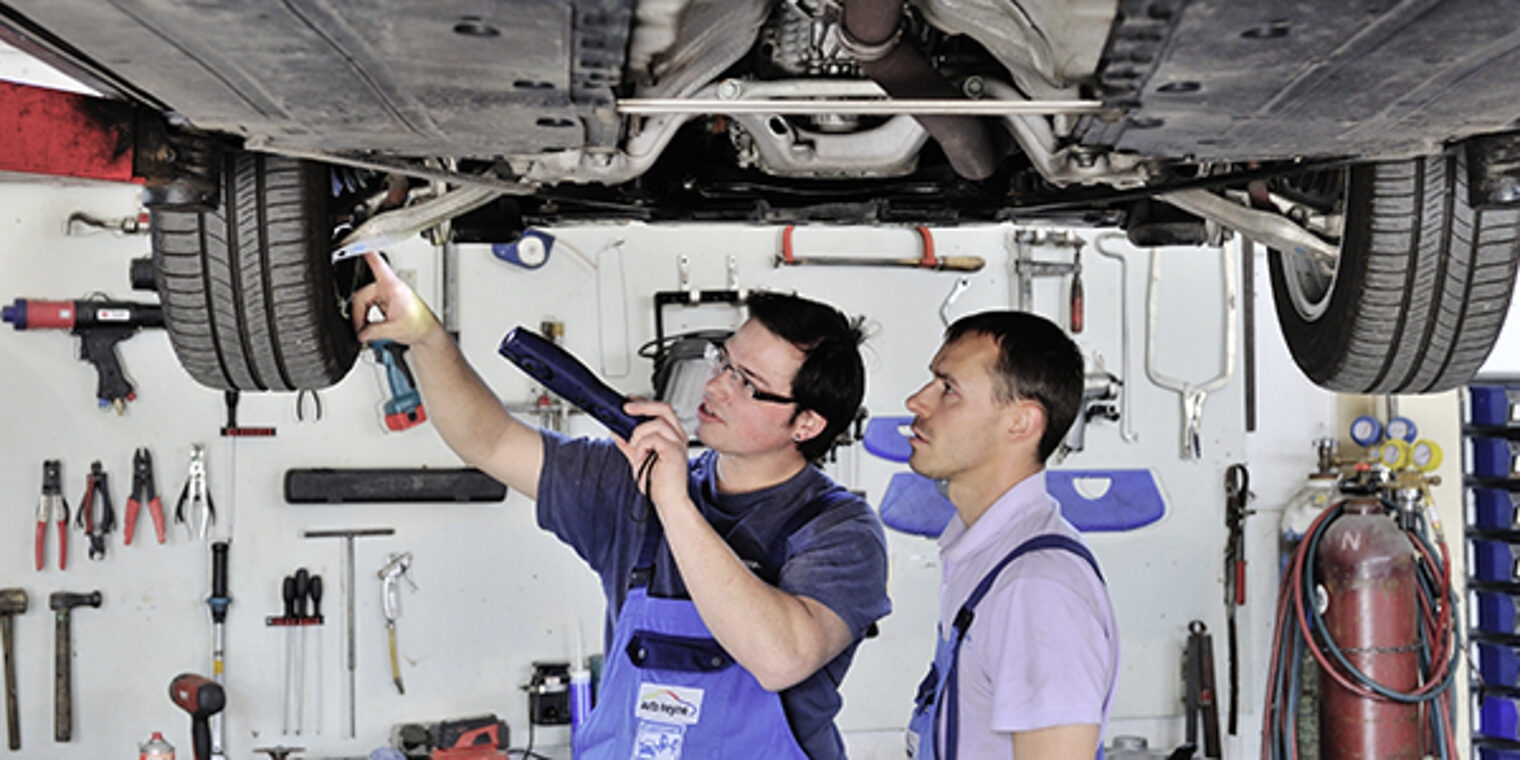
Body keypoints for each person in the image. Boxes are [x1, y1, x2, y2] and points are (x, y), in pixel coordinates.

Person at [351, 252, 890, 760]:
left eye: (747, 383)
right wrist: (424, 338)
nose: (717, 385)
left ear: (807, 423)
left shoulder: (838, 531)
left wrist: (674, 502)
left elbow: (779, 658)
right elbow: (487, 441)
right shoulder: (633, 479)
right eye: (724, 360)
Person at [903, 310, 1119, 760]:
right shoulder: (986, 555)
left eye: (948, 390)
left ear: (1021, 423)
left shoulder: (1036, 588)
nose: (916, 402)